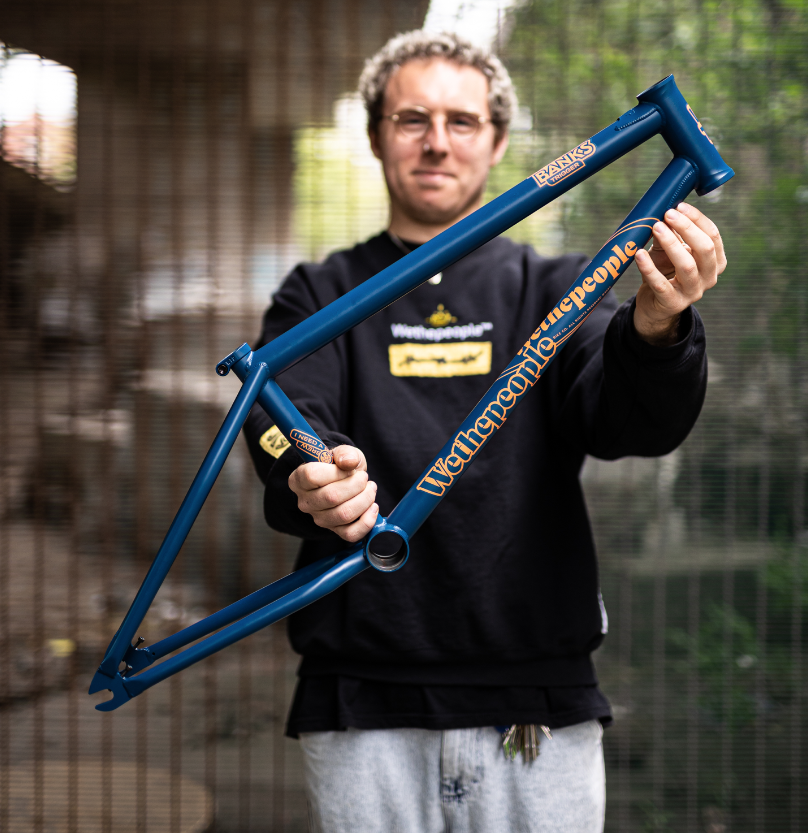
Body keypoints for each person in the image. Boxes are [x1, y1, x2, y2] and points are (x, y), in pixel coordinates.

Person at [243, 31, 726, 833]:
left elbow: (627, 418)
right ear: (376, 136)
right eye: (412, 118)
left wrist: (656, 328)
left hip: (536, 702)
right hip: (362, 700)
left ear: (498, 141)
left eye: (462, 121)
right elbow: (282, 411)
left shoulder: (560, 285)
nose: (437, 141)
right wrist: (311, 471)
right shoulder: (319, 291)